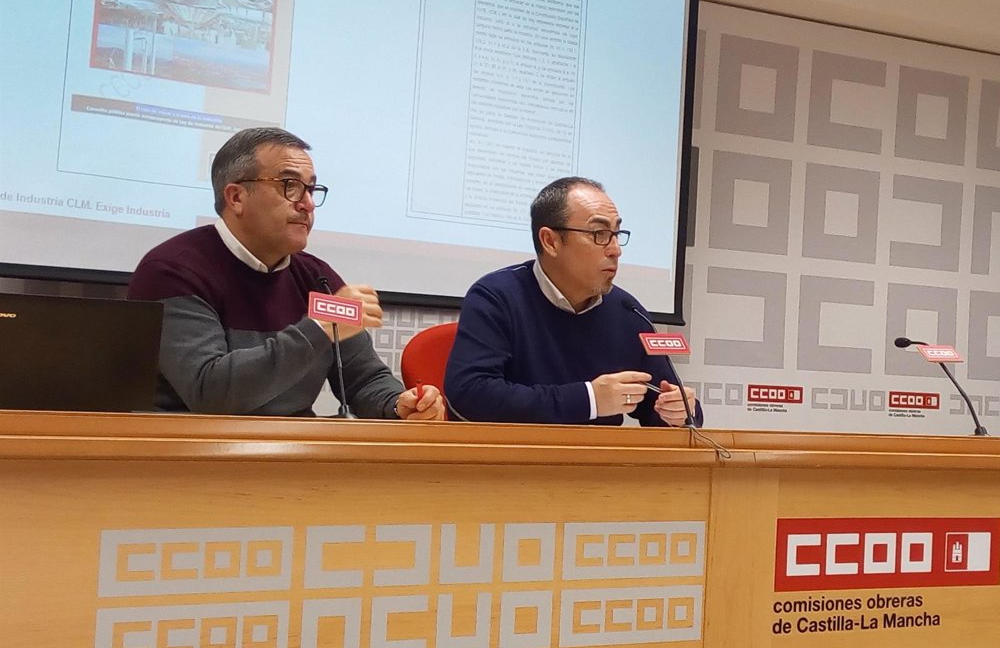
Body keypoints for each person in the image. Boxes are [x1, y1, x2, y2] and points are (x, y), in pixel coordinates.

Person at [127, 127, 443, 419]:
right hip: (193, 451)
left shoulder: (317, 277)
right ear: (236, 197)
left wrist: (398, 405)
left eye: (311, 189)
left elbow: (365, 379)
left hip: (292, 449)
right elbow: (210, 392)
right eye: (290, 186)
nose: (308, 204)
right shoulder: (172, 271)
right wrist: (318, 328)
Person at [444, 177, 700, 426]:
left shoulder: (628, 312)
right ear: (550, 241)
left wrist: (679, 411)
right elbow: (469, 394)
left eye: (616, 233)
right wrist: (589, 400)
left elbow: (663, 403)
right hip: (516, 454)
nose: (616, 249)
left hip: (599, 455)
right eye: (599, 233)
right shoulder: (496, 297)